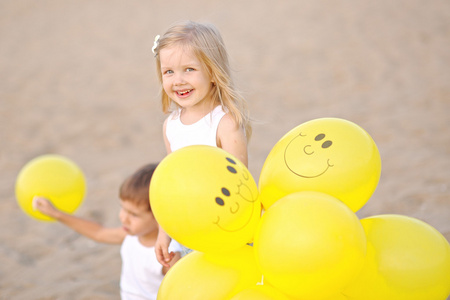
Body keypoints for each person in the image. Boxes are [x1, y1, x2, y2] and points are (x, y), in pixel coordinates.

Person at [151, 20, 252, 268]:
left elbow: (241, 186)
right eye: (169, 72)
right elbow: (170, 186)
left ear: (213, 72)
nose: (178, 80)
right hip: (188, 230)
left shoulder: (225, 123)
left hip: (224, 227)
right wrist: (164, 232)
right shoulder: (170, 126)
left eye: (189, 69)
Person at [34, 163, 181, 300]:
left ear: (160, 217)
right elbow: (98, 232)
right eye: (123, 208)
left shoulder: (168, 255)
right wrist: (56, 214)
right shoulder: (132, 235)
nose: (123, 218)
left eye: (134, 214)